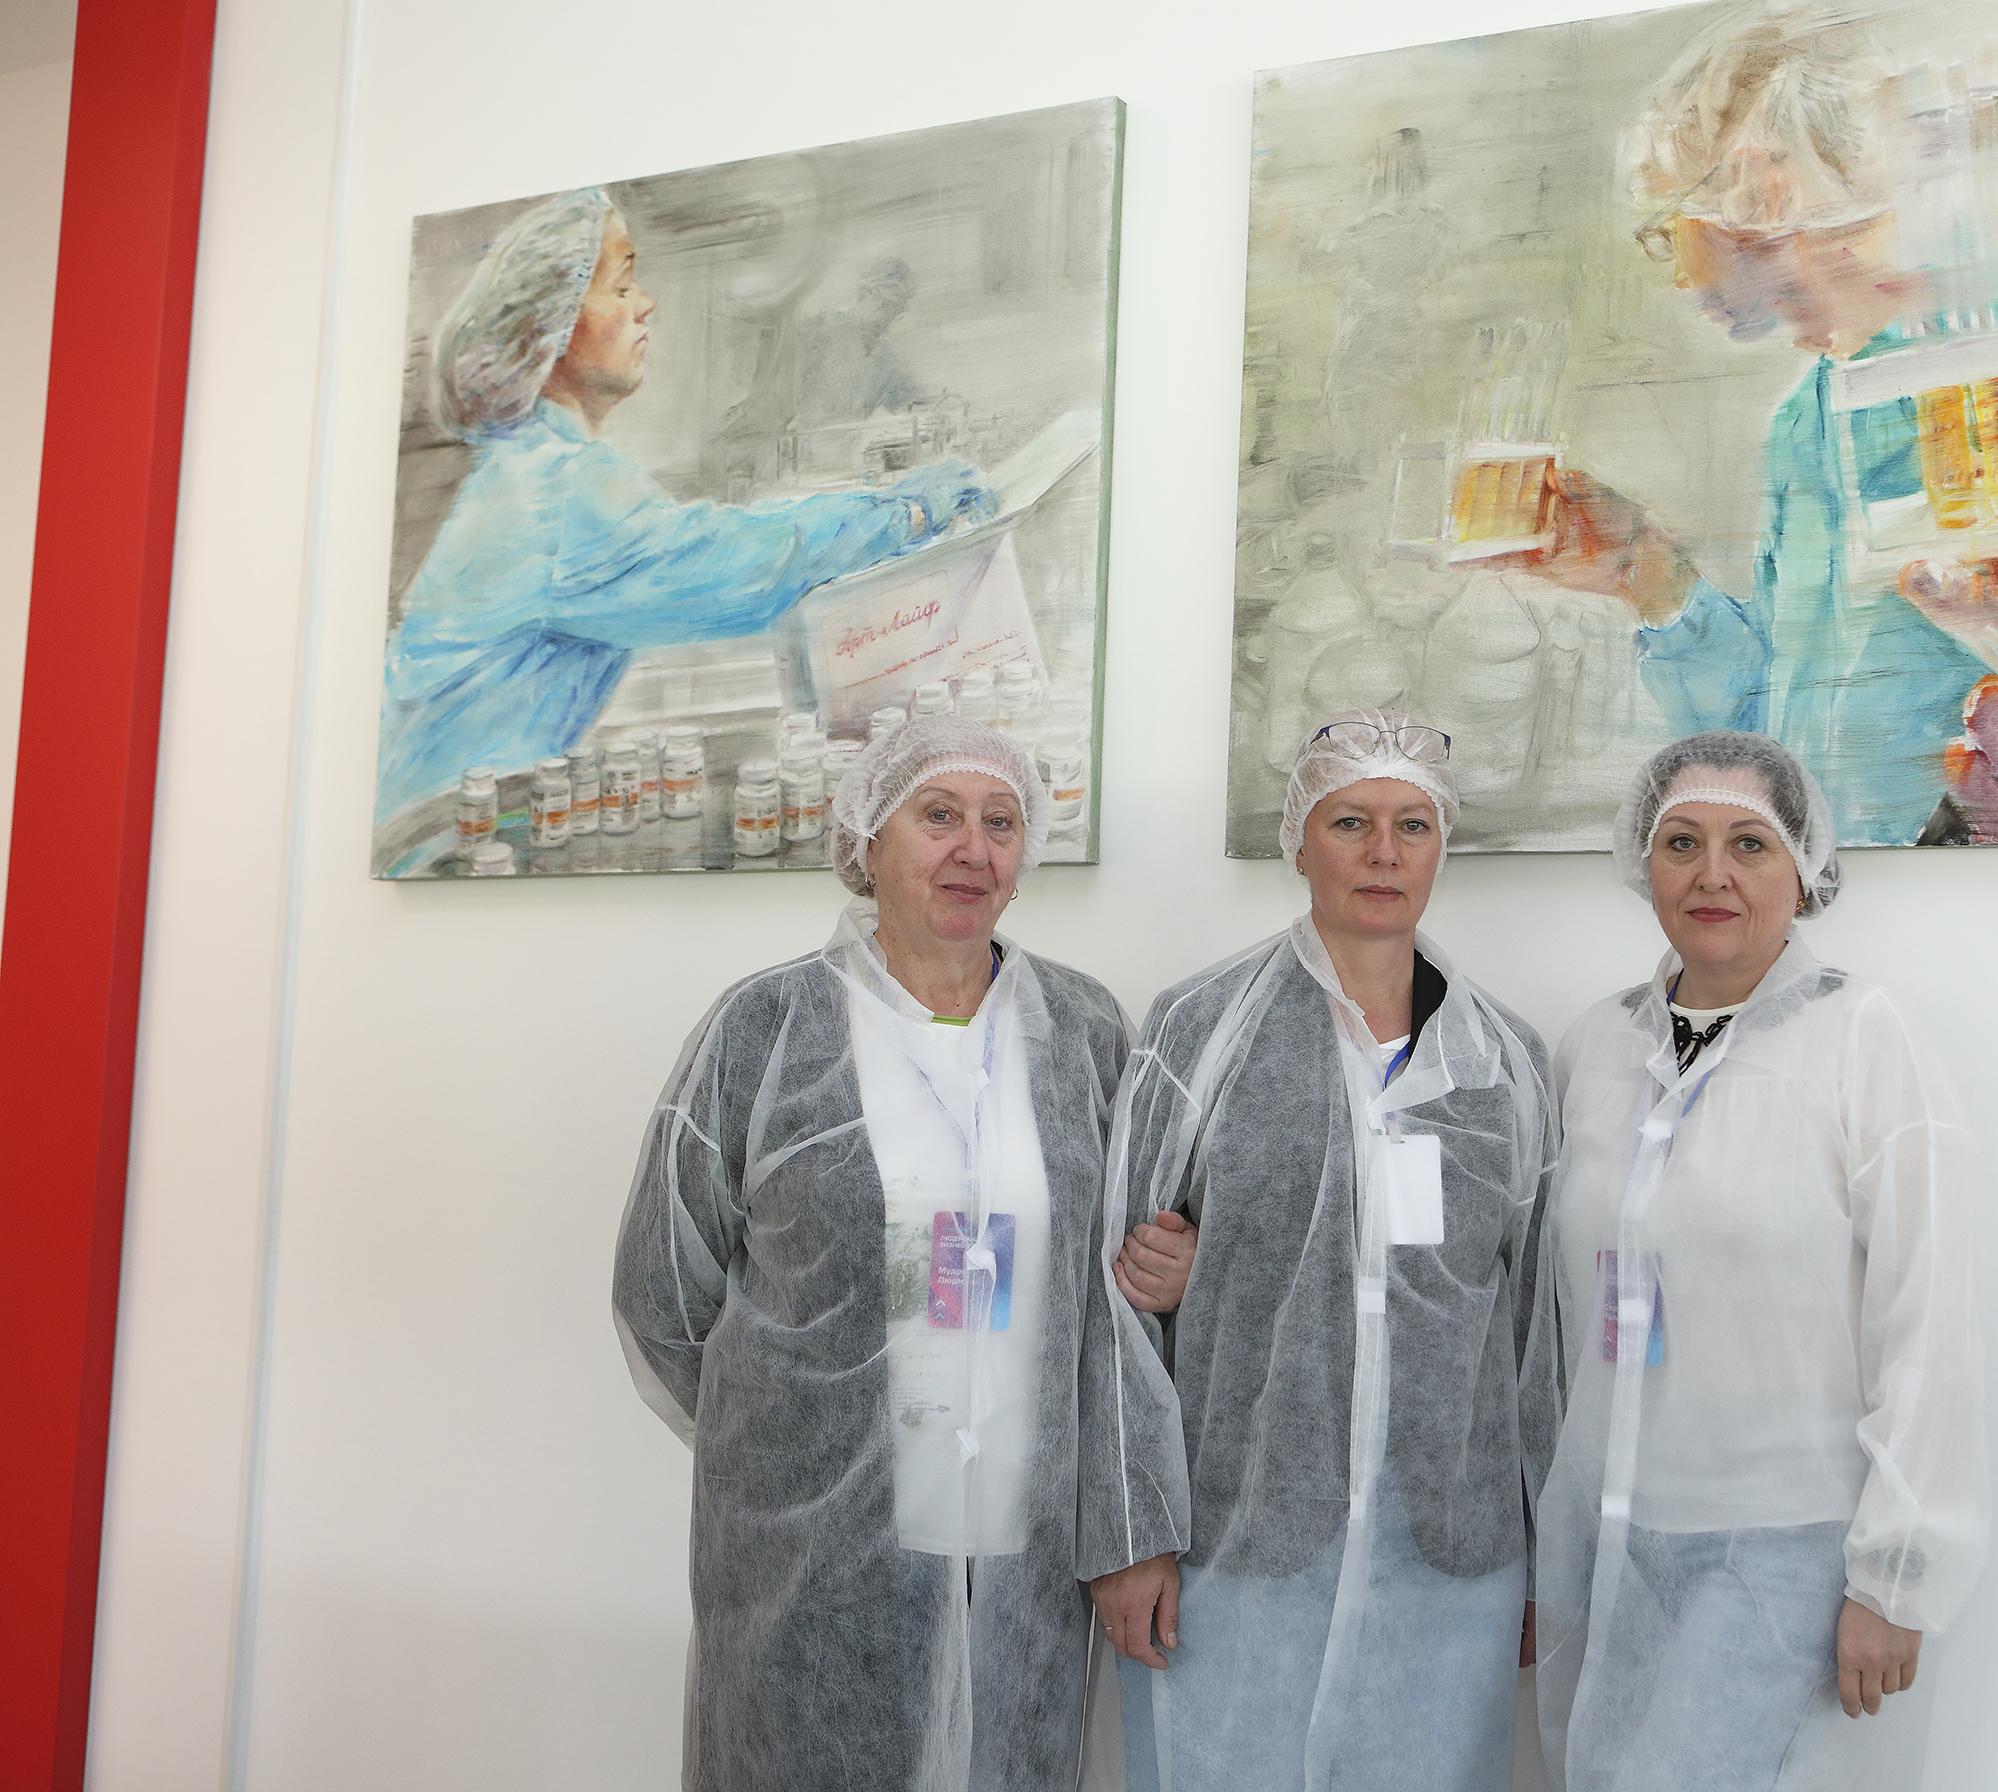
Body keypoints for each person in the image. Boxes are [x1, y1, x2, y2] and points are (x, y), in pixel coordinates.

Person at [1523, 8, 1998, 848]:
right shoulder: (1810, 419)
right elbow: (1789, 728)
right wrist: (1652, 576)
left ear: (1767, 187)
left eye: (1672, 234)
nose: (1685, 280)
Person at [611, 718, 1194, 1792]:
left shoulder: (1083, 1030)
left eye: (1001, 822)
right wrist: (804, 1441)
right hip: (816, 1554)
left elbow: (1112, 1300)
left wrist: (1174, 1266)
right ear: (867, 840)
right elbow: (664, 1290)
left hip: (1023, 1547)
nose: (974, 849)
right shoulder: (766, 1027)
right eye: (939, 816)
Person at [1078, 709, 1558, 1792]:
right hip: (1237, 1551)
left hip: (1448, 1557)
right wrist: (1129, 1532)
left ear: (1441, 846)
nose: (1384, 853)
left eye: (1412, 825)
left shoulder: (1506, 1063)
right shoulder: (1202, 1030)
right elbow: (1112, 1308)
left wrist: (1542, 1560)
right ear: (1299, 840)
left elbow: (1536, 1332)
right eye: (1351, 822)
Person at [1534, 731, 1985, 1791]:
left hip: (1789, 1545)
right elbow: (1547, 1306)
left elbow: (1928, 1317)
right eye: (1680, 842)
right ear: (1642, 863)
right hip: (1611, 1533)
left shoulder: (1863, 1037)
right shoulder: (1598, 1046)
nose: (1712, 874)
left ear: (1803, 867)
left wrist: (1896, 1575)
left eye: (1749, 843)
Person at [380, 190, 995, 820]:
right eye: (621, 286)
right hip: (429, 830)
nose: (645, 303)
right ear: (549, 330)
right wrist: (908, 512)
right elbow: (753, 565)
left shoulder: (526, 463)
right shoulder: (558, 489)